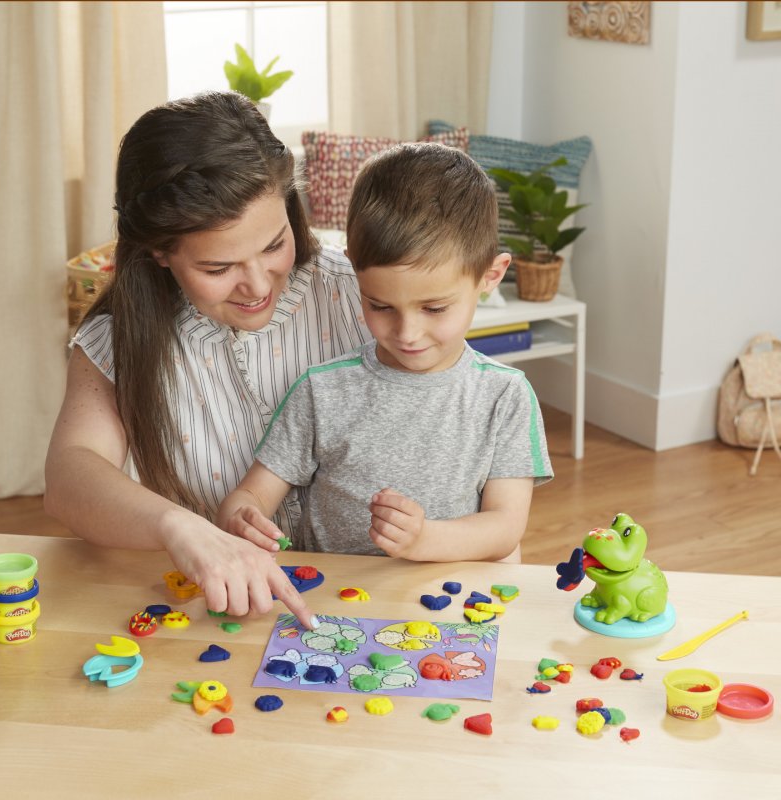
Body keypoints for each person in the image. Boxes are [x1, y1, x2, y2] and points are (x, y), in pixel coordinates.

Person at [44, 91, 372, 627]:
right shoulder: (116, 341)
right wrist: (183, 529)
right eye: (219, 268)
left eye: (273, 245)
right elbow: (67, 479)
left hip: (368, 600)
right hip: (217, 612)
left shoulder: (355, 296)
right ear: (159, 252)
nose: (258, 284)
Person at [218, 142, 553, 563]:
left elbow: (504, 527)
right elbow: (254, 492)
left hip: (446, 604)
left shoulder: (505, 397)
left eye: (434, 308)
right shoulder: (321, 389)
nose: (407, 333)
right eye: (380, 306)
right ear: (353, 267)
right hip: (332, 603)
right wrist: (242, 515)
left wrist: (424, 541)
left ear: (491, 275)